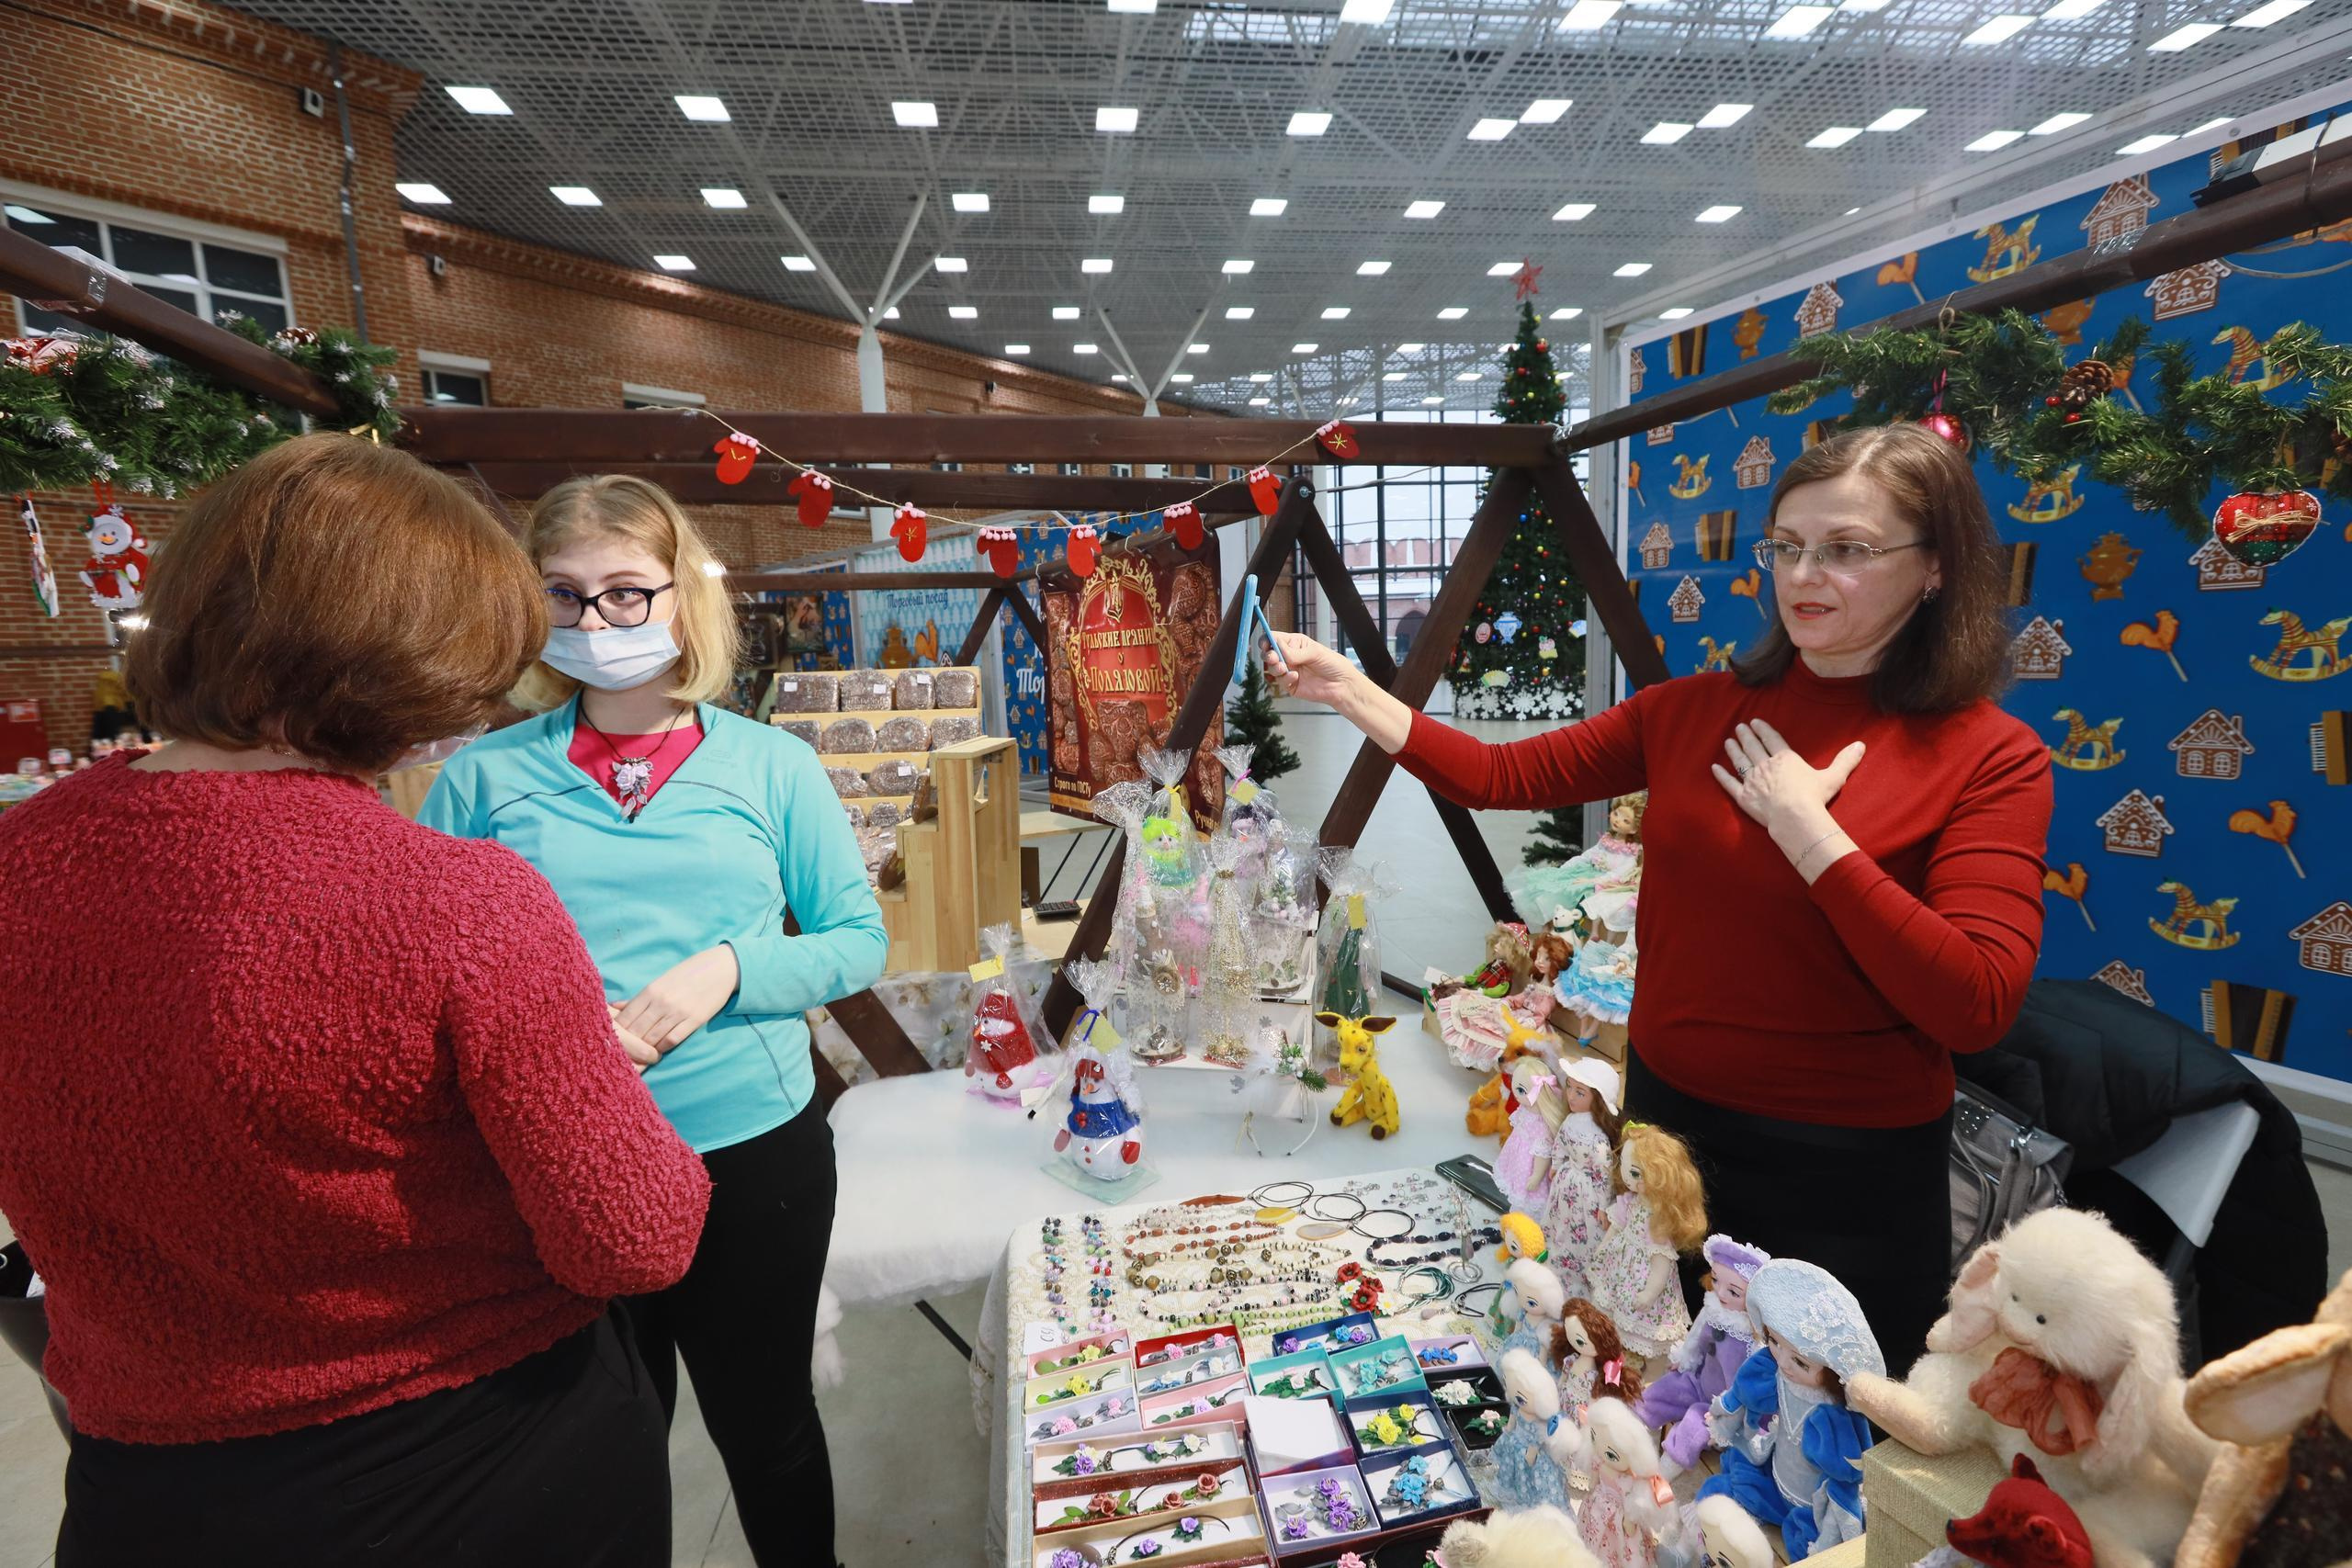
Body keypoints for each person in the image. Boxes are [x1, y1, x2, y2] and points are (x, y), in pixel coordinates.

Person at [0, 435, 712, 1568]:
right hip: (474, 1455)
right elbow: (633, 1237)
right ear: (416, 664)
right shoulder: (453, 901)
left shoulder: (20, 859)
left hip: (150, 1476)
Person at [1272, 423, 2050, 1370]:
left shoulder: (1988, 754)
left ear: (1934, 568)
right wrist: (1352, 689)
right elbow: (1497, 774)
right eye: (1789, 547)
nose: (1807, 575)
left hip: (1850, 1165)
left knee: (1825, 1443)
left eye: (1848, 550)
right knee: (1659, 1390)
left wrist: (1808, 833)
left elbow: (1973, 1001)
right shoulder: (1695, 711)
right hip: (1675, 1128)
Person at [420, 473, 888, 1568]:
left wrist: (729, 968)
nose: (597, 622)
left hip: (750, 1149)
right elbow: (438, 964)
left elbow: (854, 940)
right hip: (559, 1156)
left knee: (764, 1427)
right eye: (567, 596)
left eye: (627, 593)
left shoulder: (773, 765)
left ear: (684, 600)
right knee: (600, 1442)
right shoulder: (484, 778)